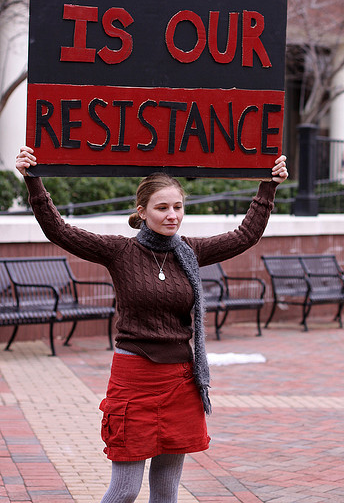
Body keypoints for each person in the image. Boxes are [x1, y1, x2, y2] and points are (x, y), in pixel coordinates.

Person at [15, 146, 288, 503]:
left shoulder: (190, 251)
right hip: (134, 378)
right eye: (162, 208)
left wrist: (268, 185)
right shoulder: (120, 252)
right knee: (125, 490)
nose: (172, 215)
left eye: (178, 207)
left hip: (180, 380)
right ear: (142, 211)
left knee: (166, 491)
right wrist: (33, 180)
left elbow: (245, 235)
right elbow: (59, 231)